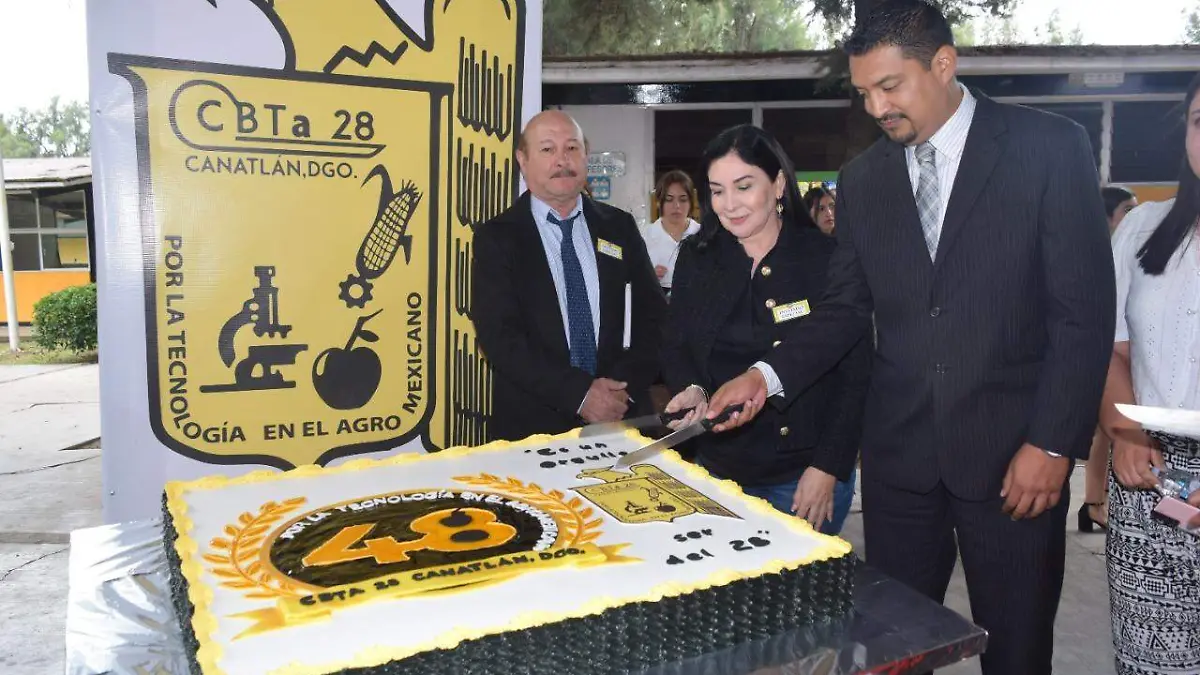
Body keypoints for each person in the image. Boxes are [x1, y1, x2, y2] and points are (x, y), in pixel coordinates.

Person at [705, 2, 1115, 673]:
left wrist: (1052, 443)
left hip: (1016, 462)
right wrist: (765, 375)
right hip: (900, 468)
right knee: (891, 655)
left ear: (943, 64)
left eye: (889, 86)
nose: (876, 107)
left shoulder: (1048, 149)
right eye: (863, 92)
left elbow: (1083, 313)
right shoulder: (864, 180)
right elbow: (844, 310)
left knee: (1016, 653)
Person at [660, 125, 870, 534]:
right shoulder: (698, 258)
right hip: (718, 473)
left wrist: (828, 466)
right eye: (717, 191)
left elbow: (856, 373)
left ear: (777, 184)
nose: (730, 204)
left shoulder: (825, 258)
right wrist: (693, 388)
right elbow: (676, 343)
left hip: (804, 477)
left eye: (744, 186)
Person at [472, 110, 667, 442]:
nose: (562, 160)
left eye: (572, 148)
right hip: (534, 430)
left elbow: (654, 318)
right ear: (523, 160)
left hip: (622, 419)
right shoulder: (498, 238)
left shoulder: (619, 227)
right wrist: (580, 394)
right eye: (548, 149)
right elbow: (500, 338)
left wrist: (619, 390)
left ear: (586, 155)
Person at [1101, 73, 1200, 675]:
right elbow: (1111, 350)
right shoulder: (1143, 229)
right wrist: (1126, 433)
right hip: (1152, 482)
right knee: (1151, 662)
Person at [1079, 184, 1140, 533]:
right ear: (1106, 217)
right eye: (1127, 210)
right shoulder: (1091, 253)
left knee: (1104, 433)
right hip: (1092, 357)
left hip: (1109, 359)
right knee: (1101, 433)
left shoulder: (1128, 252)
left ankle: (1094, 503)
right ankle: (1093, 503)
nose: (1135, 216)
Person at [803, 183, 860, 532]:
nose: (829, 214)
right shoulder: (807, 262)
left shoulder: (849, 256)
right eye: (820, 208)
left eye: (832, 207)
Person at [642, 170, 702, 296]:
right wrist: (648, 277)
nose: (677, 206)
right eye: (669, 199)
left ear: (691, 202)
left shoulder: (703, 235)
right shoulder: (644, 236)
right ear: (659, 202)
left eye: (683, 199)